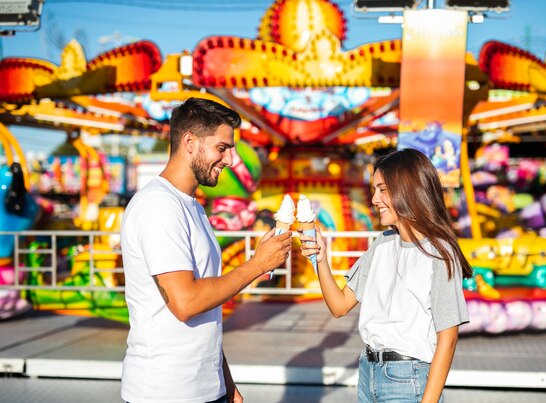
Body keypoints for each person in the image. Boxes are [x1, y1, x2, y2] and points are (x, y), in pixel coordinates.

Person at [120, 98, 292, 403]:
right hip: (166, 392)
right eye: (222, 148)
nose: (229, 159)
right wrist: (257, 264)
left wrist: (225, 381)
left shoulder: (193, 208)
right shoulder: (159, 206)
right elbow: (186, 302)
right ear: (190, 142)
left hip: (203, 388)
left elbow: (206, 311)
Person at [300, 148, 472, 402]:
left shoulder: (439, 253)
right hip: (368, 371)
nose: (374, 200)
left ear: (407, 190)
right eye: (374, 190)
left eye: (383, 190)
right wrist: (321, 259)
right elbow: (339, 306)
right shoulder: (381, 243)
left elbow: (447, 340)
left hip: (408, 379)